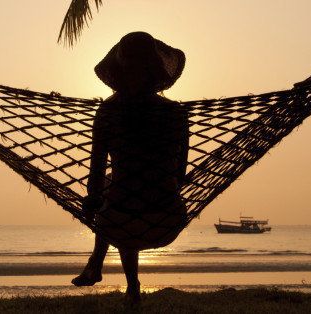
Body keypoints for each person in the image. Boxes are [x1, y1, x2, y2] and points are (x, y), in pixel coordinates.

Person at [72, 32, 189, 302]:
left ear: (120, 70)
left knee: (115, 198)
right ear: (155, 69)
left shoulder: (108, 112)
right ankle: (119, 279)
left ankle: (113, 273)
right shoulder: (175, 113)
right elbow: (180, 173)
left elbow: (97, 169)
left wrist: (93, 199)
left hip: (117, 221)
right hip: (167, 217)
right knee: (125, 194)